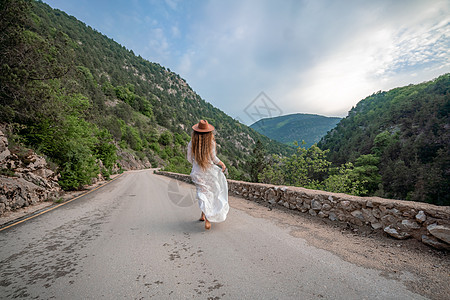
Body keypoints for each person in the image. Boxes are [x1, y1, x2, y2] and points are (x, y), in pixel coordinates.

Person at [187, 120, 229, 230]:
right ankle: (208, 219)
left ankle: (203, 215)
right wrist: (222, 164)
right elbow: (214, 158)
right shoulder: (211, 143)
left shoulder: (192, 143)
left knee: (203, 193)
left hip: (197, 172)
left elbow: (189, 158)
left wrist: (196, 164)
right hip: (209, 172)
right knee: (211, 193)